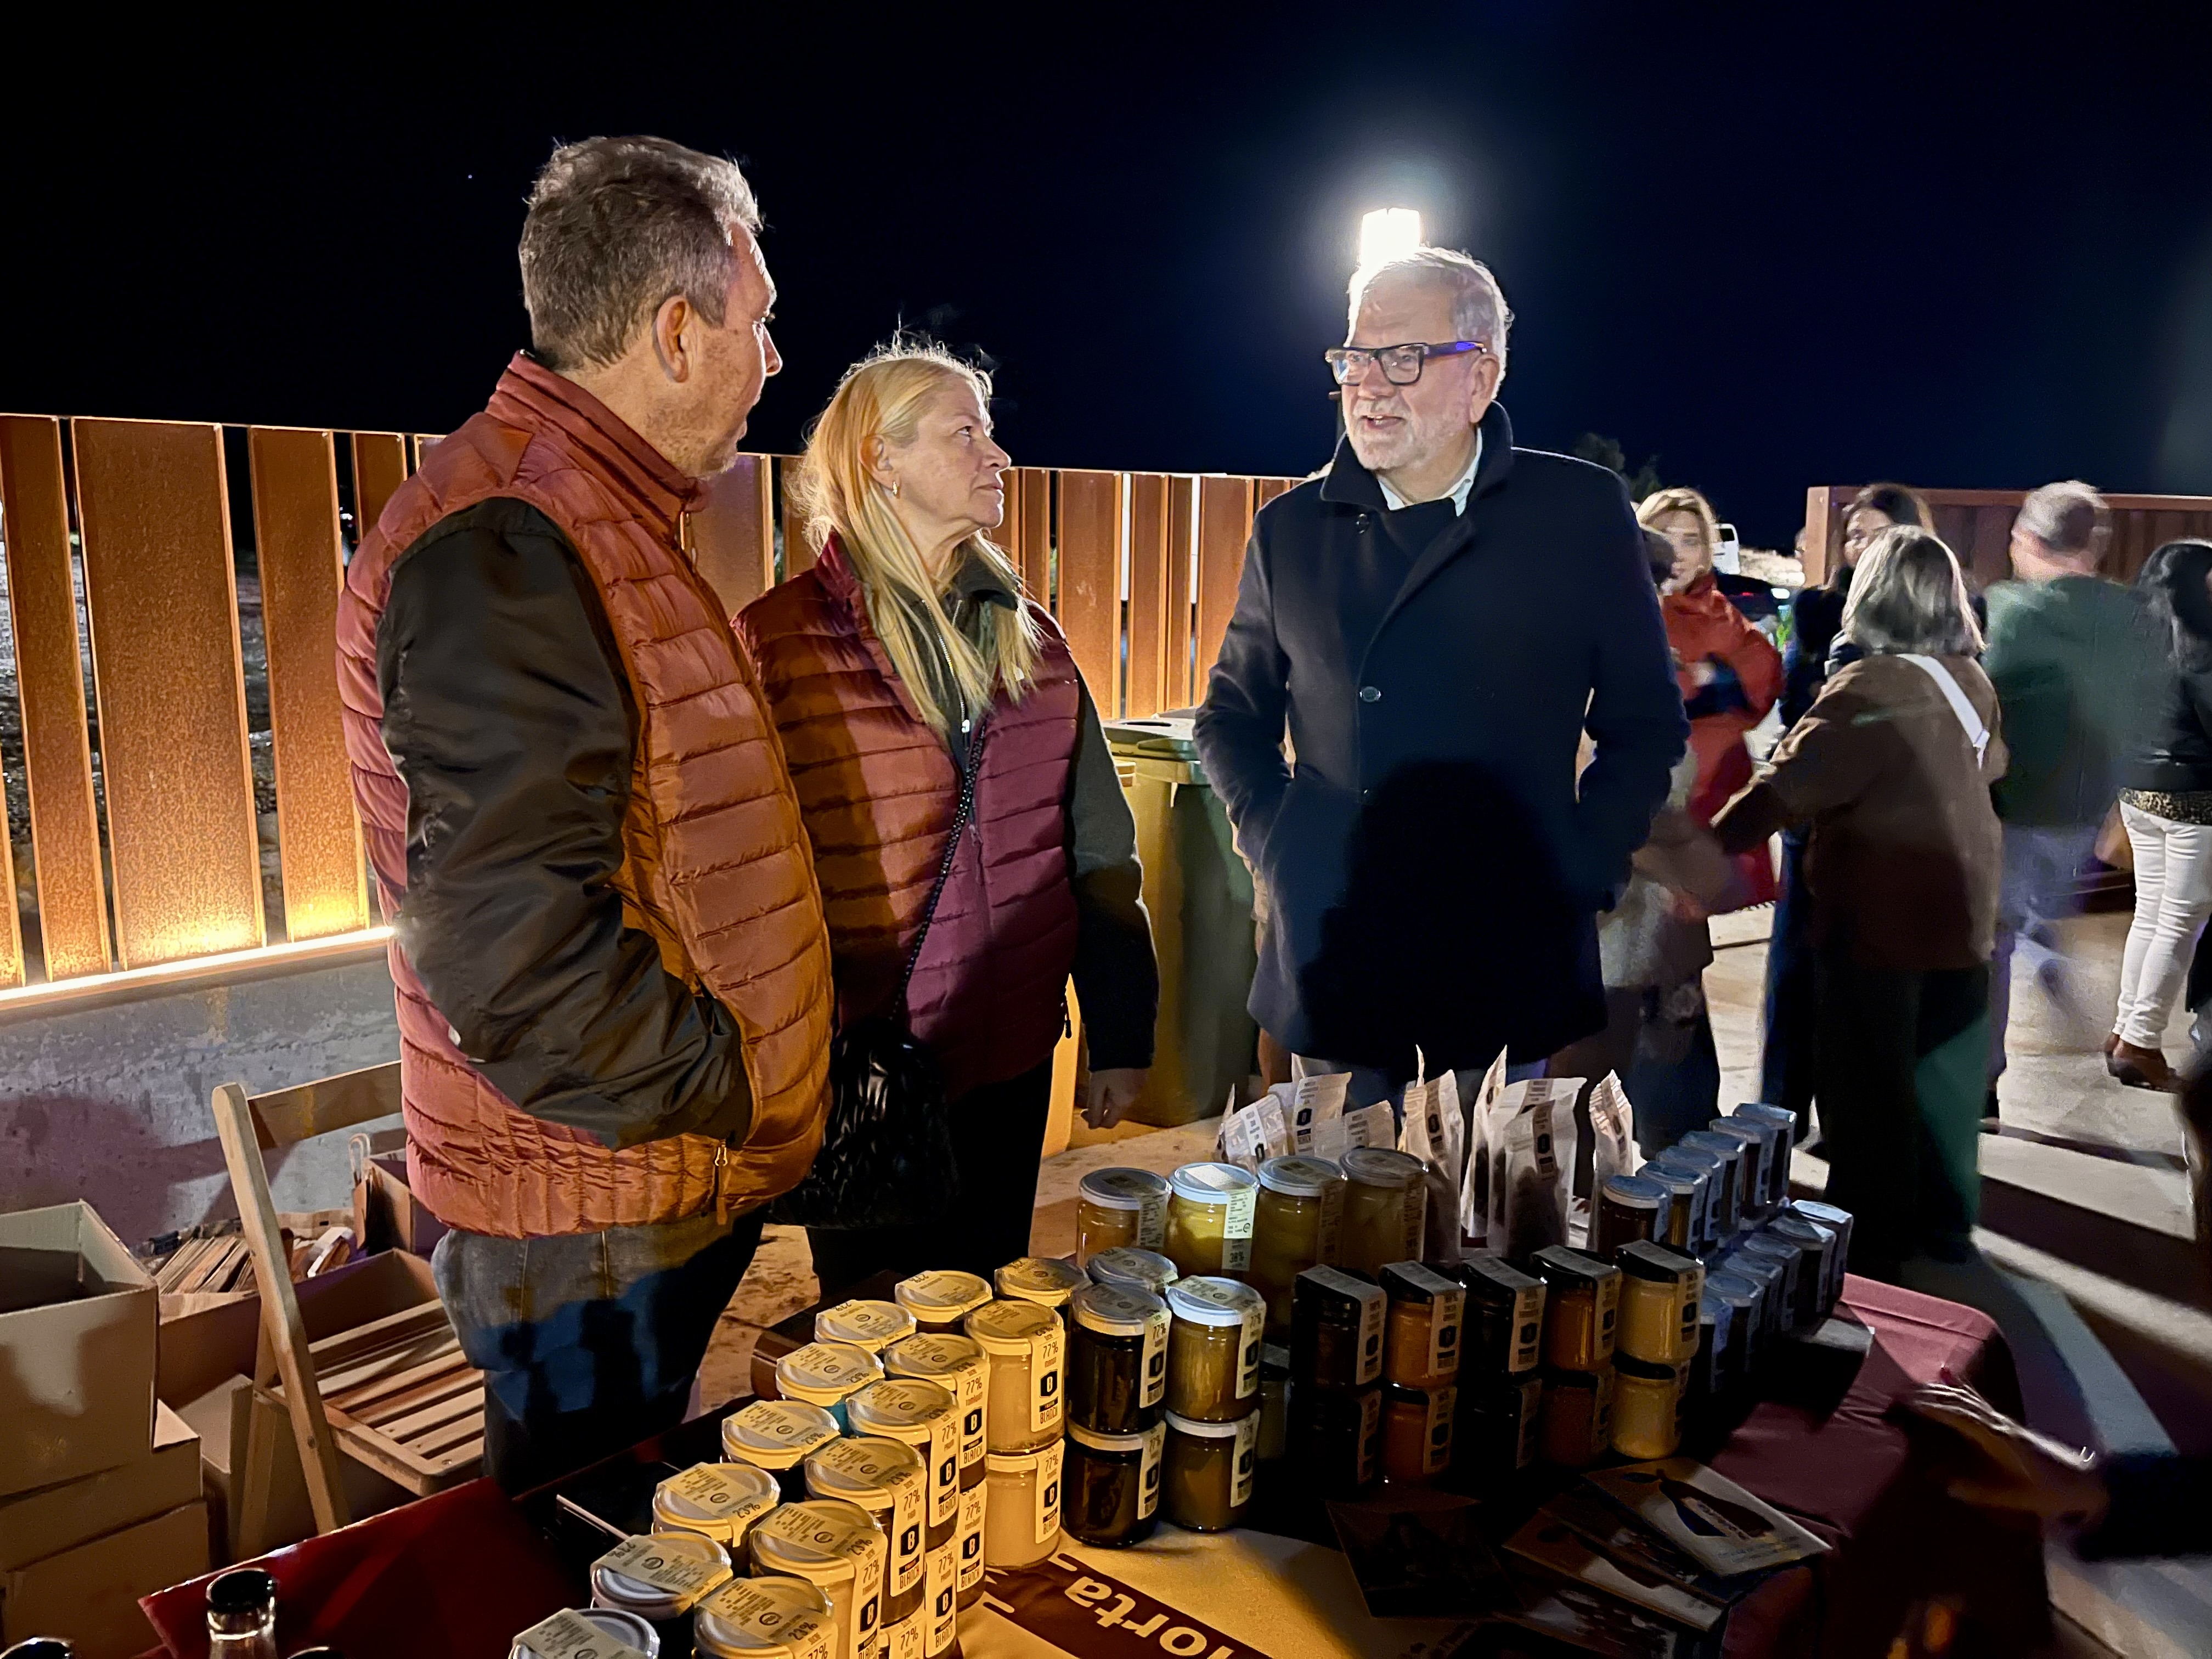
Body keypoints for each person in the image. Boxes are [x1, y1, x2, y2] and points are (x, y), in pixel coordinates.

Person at [334, 137, 834, 1489]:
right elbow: (514, 954)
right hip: (597, 1220)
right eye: (758, 321)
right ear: (675, 334)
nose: (774, 357)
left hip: (638, 1190)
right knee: (591, 1560)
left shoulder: (597, 518)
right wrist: (734, 1087)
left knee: (639, 1534)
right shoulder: (511, 539)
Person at [1194, 246, 1686, 1107]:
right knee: (1335, 1188)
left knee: (1477, 1191)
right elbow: (1231, 717)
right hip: (1339, 951)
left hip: (1501, 954)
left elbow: (1645, 723)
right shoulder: (1291, 530)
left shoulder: (1575, 513)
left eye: (1404, 358)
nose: (1369, 386)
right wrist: (1280, 842)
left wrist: (1583, 866)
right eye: (1355, 358)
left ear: (1481, 378)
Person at [736, 342, 1158, 1286]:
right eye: (965, 432)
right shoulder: (779, 643)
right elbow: (745, 883)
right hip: (868, 1071)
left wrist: (1121, 1030)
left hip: (1011, 1060)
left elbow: (1098, 849)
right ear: (880, 459)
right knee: (872, 1327)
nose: (996, 454)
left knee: (992, 1312)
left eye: (989, 431)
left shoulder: (1030, 637)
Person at [1712, 527, 2005, 1279]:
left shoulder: (1867, 687)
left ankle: (1874, 1249)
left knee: (1869, 1088)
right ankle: (1944, 1227)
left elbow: (1787, 788)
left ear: (1871, 597)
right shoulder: (1970, 680)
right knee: (1943, 1083)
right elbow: (1994, 765)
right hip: (1964, 914)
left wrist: (1704, 854)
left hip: (1878, 920)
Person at [1550, 528, 1731, 1158]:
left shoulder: (1632, 666)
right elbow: (1612, 801)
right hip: (1603, 931)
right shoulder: (1578, 674)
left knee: (1634, 1110)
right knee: (1582, 1115)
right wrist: (1685, 867)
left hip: (1643, 932)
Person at [1761, 481, 1934, 1138]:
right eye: (1854, 535)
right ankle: (1780, 1111)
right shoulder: (1817, 610)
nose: (1860, 546)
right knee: (1794, 969)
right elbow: (1793, 707)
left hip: (1891, 828)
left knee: (1865, 979)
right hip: (1815, 817)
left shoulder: (1942, 619)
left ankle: (1849, 1120)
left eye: (1876, 534)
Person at [1982, 483, 2147, 1114]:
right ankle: (2050, 951)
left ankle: (1982, 1083)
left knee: (1992, 941)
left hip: (2012, 805)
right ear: (2095, 546)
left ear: (2027, 539)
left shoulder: (2009, 614)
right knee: (2041, 910)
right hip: (2093, 809)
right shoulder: (2133, 617)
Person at [1638, 486, 1782, 908]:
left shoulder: (1722, 614)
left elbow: (1764, 674)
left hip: (1712, 795)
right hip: (1648, 793)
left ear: (1706, 551)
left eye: (1691, 540)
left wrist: (1714, 676)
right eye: (1665, 537)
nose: (1678, 553)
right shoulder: (1624, 607)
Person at [2108, 540, 2212, 1090]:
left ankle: (2125, 1028)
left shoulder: (2131, 642)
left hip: (2137, 790)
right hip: (2195, 797)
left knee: (2150, 914)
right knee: (2179, 920)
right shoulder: (2203, 646)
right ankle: (2141, 1041)